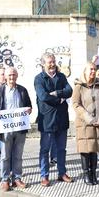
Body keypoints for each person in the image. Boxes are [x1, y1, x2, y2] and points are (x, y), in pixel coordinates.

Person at [0, 67, 32, 191]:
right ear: (6, 77)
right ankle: (5, 179)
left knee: (18, 155)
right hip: (5, 129)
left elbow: (29, 105)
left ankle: (17, 178)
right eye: (9, 75)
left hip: (20, 128)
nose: (12, 77)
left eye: (14, 75)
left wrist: (29, 110)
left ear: (17, 76)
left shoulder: (22, 90)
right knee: (5, 156)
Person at [34, 52, 73, 187]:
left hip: (62, 119)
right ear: (43, 64)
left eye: (53, 61)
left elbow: (69, 91)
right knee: (45, 149)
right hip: (47, 120)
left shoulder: (61, 76)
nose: (52, 64)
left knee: (61, 149)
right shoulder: (39, 79)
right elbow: (43, 96)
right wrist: (60, 100)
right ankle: (44, 176)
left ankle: (62, 173)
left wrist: (57, 93)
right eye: (49, 62)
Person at [72, 62, 99, 185]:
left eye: (94, 69)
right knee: (86, 150)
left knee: (94, 149)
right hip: (84, 124)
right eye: (90, 69)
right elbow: (76, 104)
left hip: (98, 123)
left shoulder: (98, 85)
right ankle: (86, 174)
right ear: (85, 71)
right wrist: (88, 118)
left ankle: (93, 173)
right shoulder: (79, 86)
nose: (93, 71)